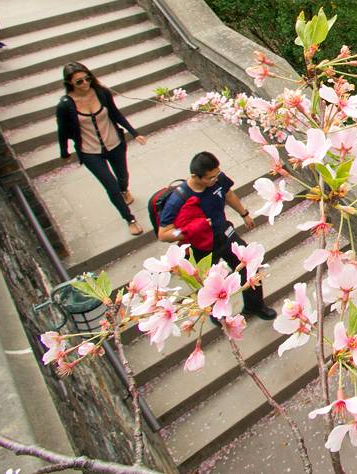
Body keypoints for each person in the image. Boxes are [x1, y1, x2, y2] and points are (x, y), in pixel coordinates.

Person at [157, 152, 277, 320]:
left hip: (224, 234)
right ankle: (216, 315)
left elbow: (228, 194)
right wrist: (186, 231)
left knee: (249, 266)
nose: (215, 179)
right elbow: (164, 234)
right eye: (210, 178)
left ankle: (255, 306)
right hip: (201, 246)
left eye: (216, 175)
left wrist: (244, 214)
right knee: (208, 284)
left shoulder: (218, 178)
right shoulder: (178, 199)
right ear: (195, 176)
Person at [56, 62, 147, 236]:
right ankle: (130, 219)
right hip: (90, 151)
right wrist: (64, 152)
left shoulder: (101, 92)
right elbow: (62, 131)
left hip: (114, 143)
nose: (85, 84)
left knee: (122, 176)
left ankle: (125, 189)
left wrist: (134, 133)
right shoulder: (65, 105)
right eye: (79, 82)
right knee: (111, 186)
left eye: (87, 79)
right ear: (69, 83)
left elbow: (115, 113)